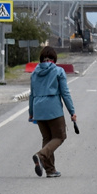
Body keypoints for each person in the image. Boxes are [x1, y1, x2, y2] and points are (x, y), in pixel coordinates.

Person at [28, 49, 78, 178]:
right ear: (54, 59)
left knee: (47, 138)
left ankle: (50, 170)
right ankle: (41, 155)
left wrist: (31, 112)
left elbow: (32, 94)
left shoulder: (34, 73)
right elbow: (65, 93)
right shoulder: (58, 71)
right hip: (53, 109)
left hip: (38, 109)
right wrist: (72, 111)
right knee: (60, 137)